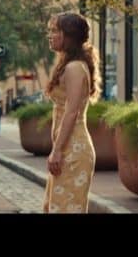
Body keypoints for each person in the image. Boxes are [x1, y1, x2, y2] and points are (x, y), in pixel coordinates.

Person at [43, 12, 100, 213]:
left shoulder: (75, 67)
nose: (50, 35)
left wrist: (57, 151)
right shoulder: (68, 64)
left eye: (55, 30)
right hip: (67, 148)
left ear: (69, 35)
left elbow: (72, 112)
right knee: (56, 208)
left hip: (74, 150)